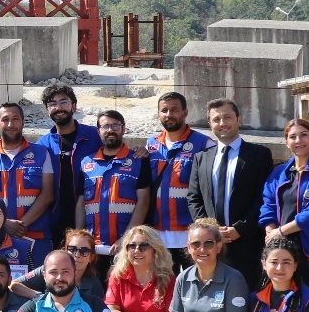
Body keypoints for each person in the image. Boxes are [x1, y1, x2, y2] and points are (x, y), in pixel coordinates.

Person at [187, 98, 275, 290]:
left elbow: (264, 198)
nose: (222, 123)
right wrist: (210, 230)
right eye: (216, 119)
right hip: (210, 247)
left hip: (247, 244)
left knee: (247, 297)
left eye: (227, 117)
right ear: (210, 124)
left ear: (238, 119)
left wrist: (240, 229)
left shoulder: (259, 155)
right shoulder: (201, 158)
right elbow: (194, 198)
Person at [75, 110, 153, 280]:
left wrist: (126, 239)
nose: (110, 130)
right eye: (105, 126)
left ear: (123, 129)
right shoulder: (86, 163)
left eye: (115, 126)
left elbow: (143, 202)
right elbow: (81, 202)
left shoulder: (139, 160)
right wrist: (80, 238)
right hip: (92, 248)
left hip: (125, 248)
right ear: (98, 131)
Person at [0, 101, 55, 263]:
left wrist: (20, 225)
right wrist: (4, 224)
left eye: (15, 119)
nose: (10, 124)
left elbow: (47, 194)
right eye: (5, 119)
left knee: (38, 279)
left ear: (23, 122)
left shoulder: (41, 153)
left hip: (36, 238)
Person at [146, 92, 213, 269]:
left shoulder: (204, 144)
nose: (169, 114)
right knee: (165, 283)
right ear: (158, 114)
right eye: (164, 110)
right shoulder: (151, 144)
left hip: (191, 233)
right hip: (158, 234)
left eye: (175, 110)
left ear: (185, 112)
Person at [259, 118, 309, 292]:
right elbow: (268, 203)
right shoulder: (279, 172)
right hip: (281, 249)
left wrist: (281, 231)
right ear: (286, 142)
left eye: (304, 135)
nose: (298, 140)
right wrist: (270, 232)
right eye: (293, 137)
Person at [34, 84, 102, 245]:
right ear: (47, 110)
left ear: (74, 106)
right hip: (54, 224)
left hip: (92, 221)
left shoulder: (95, 136)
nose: (59, 108)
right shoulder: (41, 145)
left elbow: (119, 152)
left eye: (64, 102)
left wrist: (139, 151)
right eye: (52, 104)